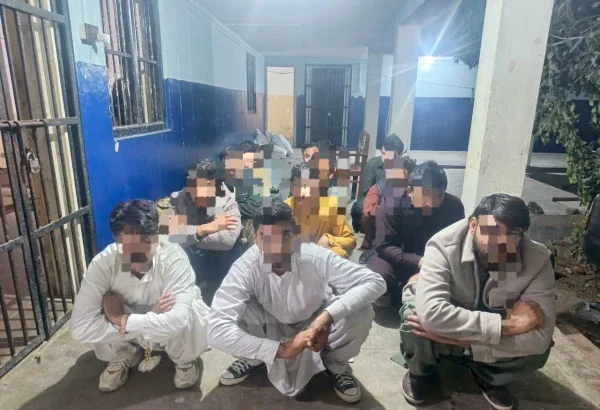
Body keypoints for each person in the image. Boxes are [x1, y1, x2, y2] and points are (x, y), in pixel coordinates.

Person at [207, 199, 386, 402]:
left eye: (285, 235)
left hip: (313, 324)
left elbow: (375, 281)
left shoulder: (314, 256)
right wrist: (281, 349)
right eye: (266, 237)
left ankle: (336, 365)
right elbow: (216, 330)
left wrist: (328, 316)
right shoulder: (246, 266)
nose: (277, 246)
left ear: (294, 234)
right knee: (237, 310)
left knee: (361, 311)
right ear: (254, 238)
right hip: (269, 325)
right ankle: (254, 358)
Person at [399, 194, 555, 410]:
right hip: (465, 313)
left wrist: (465, 343)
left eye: (513, 234)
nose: (503, 242)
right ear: (474, 225)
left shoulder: (538, 259)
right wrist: (507, 326)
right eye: (494, 231)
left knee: (538, 350)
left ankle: (489, 374)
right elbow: (432, 315)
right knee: (414, 317)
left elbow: (540, 339)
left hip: (462, 324)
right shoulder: (442, 244)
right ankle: (421, 371)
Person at [71, 200, 210, 392]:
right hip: (152, 324)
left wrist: (121, 320)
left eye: (145, 242)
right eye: (127, 245)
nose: (137, 254)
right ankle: (124, 353)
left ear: (157, 236)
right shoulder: (103, 264)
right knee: (103, 306)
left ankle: (183, 357)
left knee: (189, 308)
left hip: (147, 325)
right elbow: (80, 328)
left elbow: (178, 320)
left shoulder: (173, 257)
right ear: (117, 241)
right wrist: (148, 322)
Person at [368, 160, 464, 306]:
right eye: (424, 196)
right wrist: (419, 261)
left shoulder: (454, 206)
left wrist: (437, 262)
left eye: (438, 195)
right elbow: (384, 246)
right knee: (380, 275)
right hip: (396, 255)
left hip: (433, 259)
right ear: (410, 191)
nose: (431, 203)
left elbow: (459, 242)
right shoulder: (392, 202)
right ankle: (392, 294)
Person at [166, 159, 244, 303]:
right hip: (197, 263)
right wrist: (205, 228)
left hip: (224, 261)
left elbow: (227, 240)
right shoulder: (177, 200)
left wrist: (189, 238)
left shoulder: (227, 199)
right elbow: (170, 236)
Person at [285, 161, 356, 258]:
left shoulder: (331, 207)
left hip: (321, 257)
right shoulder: (285, 209)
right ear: (292, 188)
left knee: (338, 253)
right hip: (292, 258)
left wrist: (329, 240)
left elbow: (350, 240)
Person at [357, 155, 416, 265]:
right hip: (385, 231)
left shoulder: (415, 191)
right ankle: (372, 248)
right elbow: (368, 211)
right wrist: (387, 210)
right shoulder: (379, 187)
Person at [350, 134, 405, 233]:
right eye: (383, 153)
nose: (386, 158)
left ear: (399, 155)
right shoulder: (372, 164)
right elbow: (366, 192)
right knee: (359, 207)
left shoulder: (404, 167)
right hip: (374, 200)